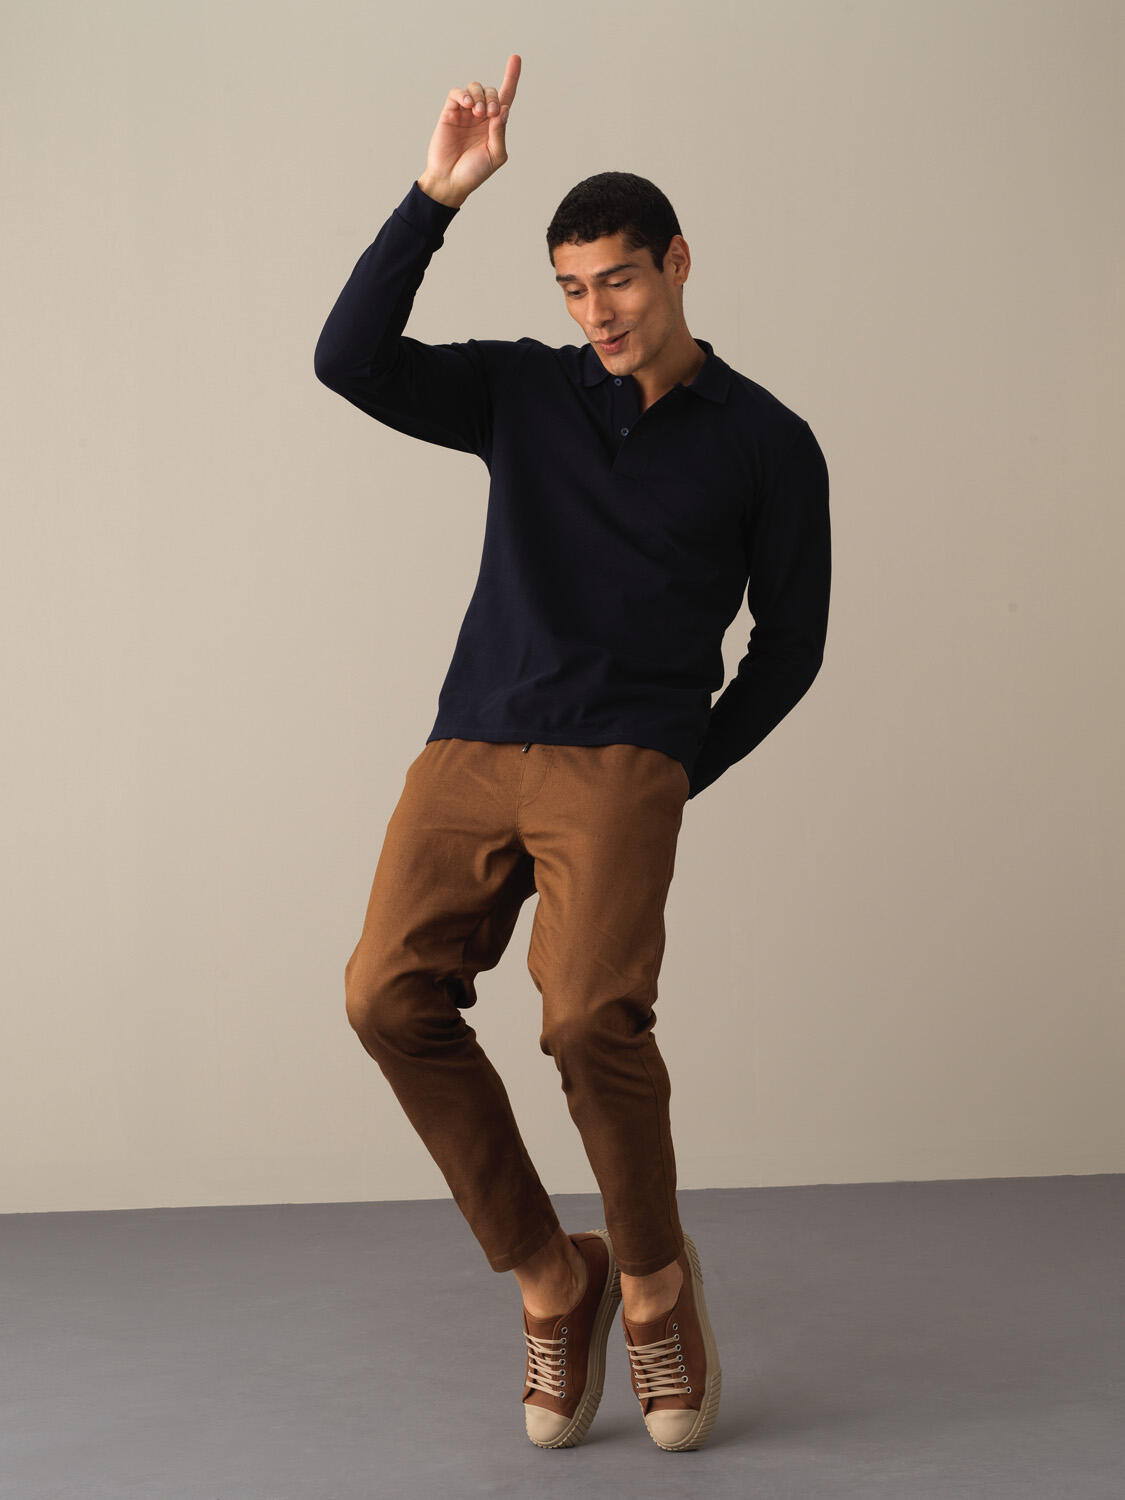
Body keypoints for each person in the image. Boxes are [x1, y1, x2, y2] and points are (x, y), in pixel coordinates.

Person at [314, 53, 831, 1453]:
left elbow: (789, 646)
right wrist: (437, 195)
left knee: (587, 1017)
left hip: (622, 760)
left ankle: (653, 1279)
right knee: (383, 997)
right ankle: (557, 1274)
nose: (596, 312)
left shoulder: (769, 443)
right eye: (571, 288)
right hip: (473, 741)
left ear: (675, 264)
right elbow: (347, 360)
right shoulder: (522, 394)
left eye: (618, 280)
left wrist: (673, 765)